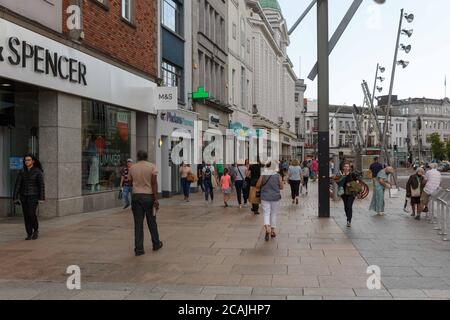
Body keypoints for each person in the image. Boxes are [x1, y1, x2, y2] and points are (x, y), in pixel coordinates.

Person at [128, 150, 162, 256]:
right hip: (149, 197)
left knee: (138, 223)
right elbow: (153, 183)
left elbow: (130, 183)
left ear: (137, 157)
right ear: (147, 157)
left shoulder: (132, 168)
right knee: (152, 221)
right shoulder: (152, 167)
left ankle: (139, 249)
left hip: (136, 197)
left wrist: (132, 195)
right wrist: (156, 199)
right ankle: (156, 243)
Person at [13, 154, 45, 241]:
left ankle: (36, 230)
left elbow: (41, 185)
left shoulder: (37, 171)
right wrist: (15, 197)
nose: (27, 161)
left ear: (33, 161)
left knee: (31, 214)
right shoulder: (22, 171)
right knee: (26, 215)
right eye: (25, 160)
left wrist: (41, 198)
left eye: (28, 160)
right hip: (24, 196)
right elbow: (17, 185)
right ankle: (29, 233)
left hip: (33, 196)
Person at [256, 160, 283, 241]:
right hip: (275, 197)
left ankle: (267, 228)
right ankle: (272, 231)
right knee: (274, 213)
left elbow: (257, 185)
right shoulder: (278, 175)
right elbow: (281, 187)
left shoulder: (263, 174)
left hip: (265, 197)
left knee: (266, 213)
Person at [335, 163, 360, 228]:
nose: (346, 168)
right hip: (344, 193)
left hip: (351, 193)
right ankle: (348, 216)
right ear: (343, 168)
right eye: (345, 166)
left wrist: (351, 184)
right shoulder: (340, 174)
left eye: (347, 167)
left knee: (349, 206)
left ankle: (349, 220)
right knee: (346, 206)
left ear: (349, 168)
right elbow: (337, 182)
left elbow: (357, 182)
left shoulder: (352, 174)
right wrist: (341, 178)